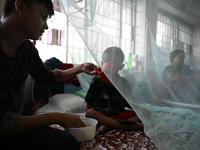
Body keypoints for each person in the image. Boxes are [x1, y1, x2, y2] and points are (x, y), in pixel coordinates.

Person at [0, 0, 96, 150]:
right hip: (4, 125)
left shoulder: (27, 50)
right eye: (43, 16)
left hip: (9, 126)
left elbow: (47, 77)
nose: (46, 26)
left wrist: (80, 68)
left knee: (67, 142)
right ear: (20, 6)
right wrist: (57, 117)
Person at [85, 46, 143, 134]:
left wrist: (140, 109)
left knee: (143, 114)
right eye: (106, 61)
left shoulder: (124, 82)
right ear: (102, 63)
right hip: (102, 114)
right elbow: (89, 102)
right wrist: (88, 120)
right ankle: (131, 125)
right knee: (89, 113)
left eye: (114, 62)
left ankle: (108, 125)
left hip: (119, 114)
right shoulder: (97, 81)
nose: (110, 64)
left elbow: (129, 103)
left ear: (121, 66)